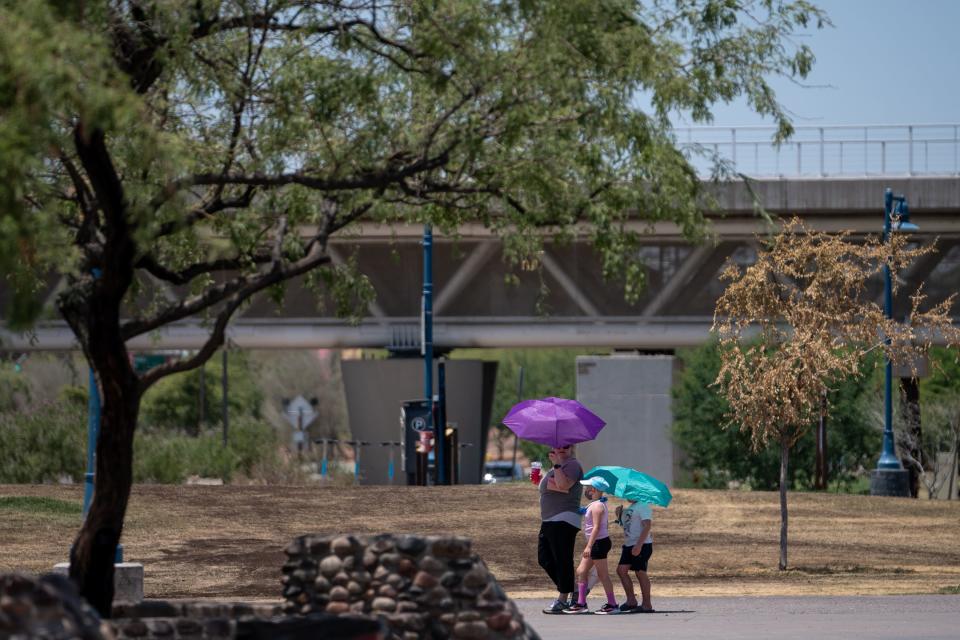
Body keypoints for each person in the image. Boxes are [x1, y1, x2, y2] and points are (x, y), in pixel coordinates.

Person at [538, 444, 584, 614]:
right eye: (558, 446)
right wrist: (541, 480)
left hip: (564, 518)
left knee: (562, 560)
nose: (562, 449)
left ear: (571, 448)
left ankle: (563, 599)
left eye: (566, 446)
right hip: (550, 519)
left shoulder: (572, 465)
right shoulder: (559, 466)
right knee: (544, 559)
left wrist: (556, 465)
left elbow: (564, 486)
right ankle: (574, 589)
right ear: (552, 448)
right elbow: (554, 485)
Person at [565, 476, 618, 614]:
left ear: (594, 489)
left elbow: (596, 528)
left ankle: (612, 604)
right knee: (581, 571)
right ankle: (581, 603)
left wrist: (589, 546)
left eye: (588, 487)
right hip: (595, 543)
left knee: (603, 575)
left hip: (598, 543)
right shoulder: (595, 504)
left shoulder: (598, 506)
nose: (586, 490)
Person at [615, 499, 655, 613]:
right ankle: (631, 601)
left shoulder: (643, 505)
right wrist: (619, 515)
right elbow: (627, 526)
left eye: (630, 492)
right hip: (629, 544)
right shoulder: (631, 507)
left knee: (640, 572)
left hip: (641, 544)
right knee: (621, 571)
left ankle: (647, 604)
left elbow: (647, 525)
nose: (627, 495)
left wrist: (639, 545)